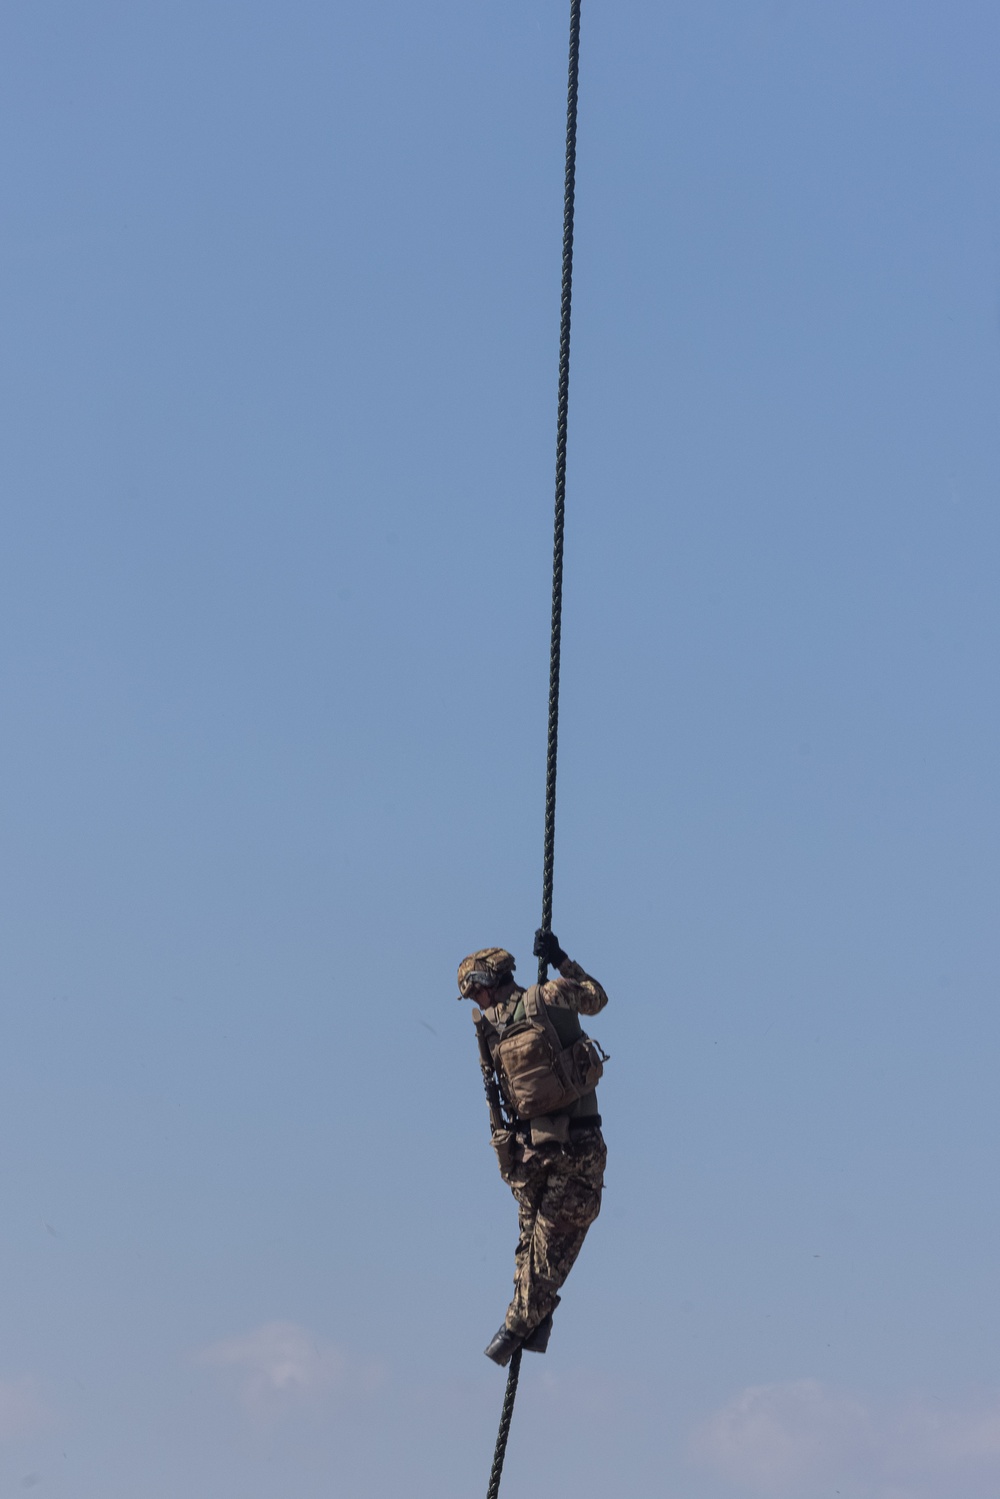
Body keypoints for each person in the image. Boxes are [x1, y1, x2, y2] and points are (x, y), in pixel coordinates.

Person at [457, 930, 609, 1366]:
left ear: (484, 987)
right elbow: (596, 998)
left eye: (476, 996)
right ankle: (520, 1326)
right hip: (576, 1150)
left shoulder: (492, 1032)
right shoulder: (549, 997)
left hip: (536, 1160)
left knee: (531, 1256)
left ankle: (522, 1324)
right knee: (545, 1258)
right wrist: (563, 959)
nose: (478, 1006)